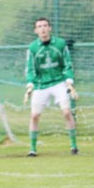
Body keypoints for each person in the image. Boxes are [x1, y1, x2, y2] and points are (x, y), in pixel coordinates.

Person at [24, 17, 79, 157]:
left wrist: (69, 81)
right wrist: (30, 85)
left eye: (45, 25)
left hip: (58, 82)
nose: (43, 29)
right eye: (39, 26)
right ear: (35, 30)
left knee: (66, 112)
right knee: (35, 115)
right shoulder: (32, 48)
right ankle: (32, 149)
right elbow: (30, 69)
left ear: (50, 28)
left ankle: (74, 146)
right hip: (41, 85)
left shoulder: (60, 44)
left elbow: (67, 64)